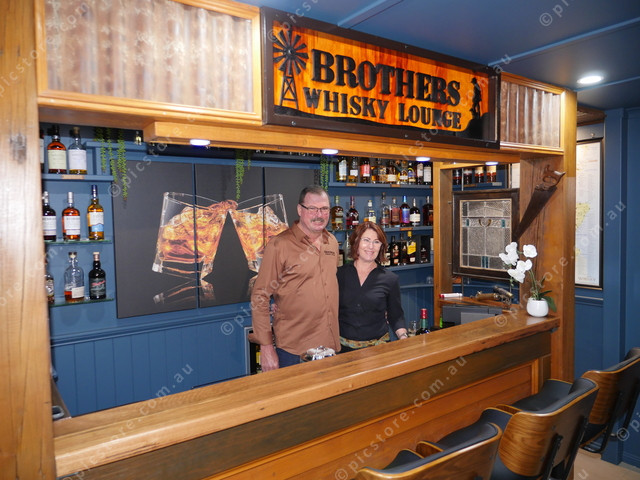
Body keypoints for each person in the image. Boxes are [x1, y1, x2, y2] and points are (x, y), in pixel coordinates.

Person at [250, 186, 340, 371]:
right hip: (294, 350)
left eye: (324, 209)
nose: (319, 215)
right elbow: (260, 295)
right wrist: (266, 347)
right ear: (300, 210)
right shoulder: (279, 245)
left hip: (329, 345)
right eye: (312, 209)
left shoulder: (331, 242)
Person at [337, 222, 408, 352]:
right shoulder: (339, 275)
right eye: (366, 240)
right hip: (344, 351)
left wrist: (403, 337)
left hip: (378, 350)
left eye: (376, 242)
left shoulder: (390, 279)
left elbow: (396, 315)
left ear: (381, 247)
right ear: (356, 242)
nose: (371, 246)